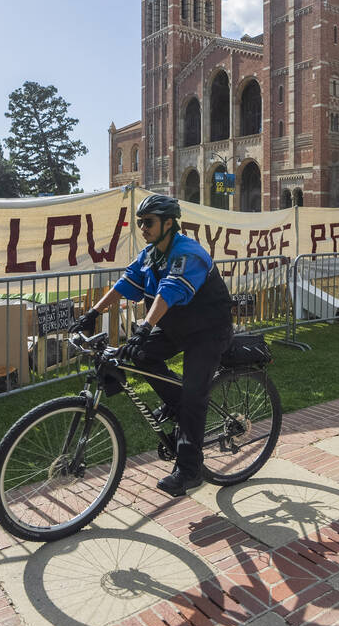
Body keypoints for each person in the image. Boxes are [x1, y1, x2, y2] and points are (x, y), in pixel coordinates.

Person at [71, 194, 233, 497]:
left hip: (209, 330)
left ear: (168, 223)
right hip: (178, 327)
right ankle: (177, 405)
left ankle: (190, 470)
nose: (143, 227)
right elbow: (123, 284)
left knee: (194, 396)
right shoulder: (149, 254)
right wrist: (92, 314)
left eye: (149, 222)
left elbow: (170, 291)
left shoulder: (188, 253)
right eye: (140, 222)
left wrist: (144, 327)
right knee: (142, 357)